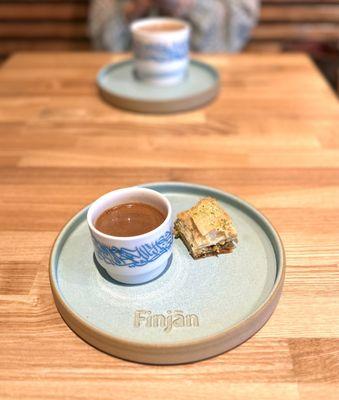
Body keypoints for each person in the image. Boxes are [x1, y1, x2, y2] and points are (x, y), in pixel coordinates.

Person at [89, 0, 260, 53]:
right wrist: (133, 9)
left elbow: (240, 21)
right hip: (129, 79)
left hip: (214, 79)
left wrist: (191, 5)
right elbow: (102, 41)